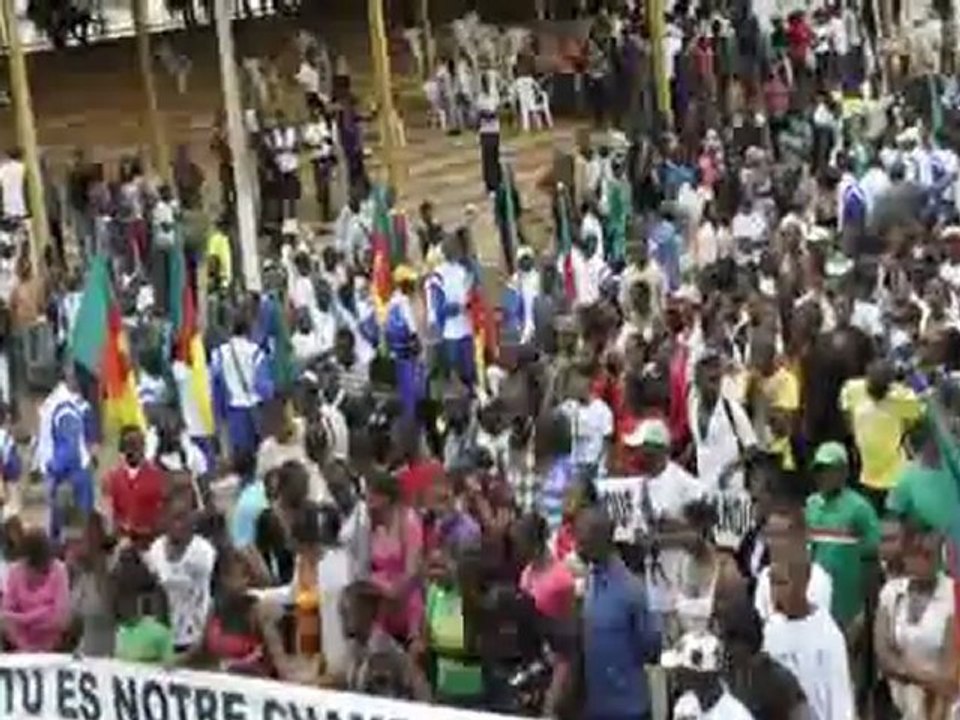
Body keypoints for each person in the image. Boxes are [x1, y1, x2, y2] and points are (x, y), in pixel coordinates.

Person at [575, 506, 661, 720]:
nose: (577, 547)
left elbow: (651, 647)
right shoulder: (590, 579)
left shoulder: (632, 590)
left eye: (583, 541)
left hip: (627, 709)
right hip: (595, 706)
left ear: (602, 539)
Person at [875, 525, 958, 719]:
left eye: (929, 555)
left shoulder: (953, 596)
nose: (922, 561)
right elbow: (884, 656)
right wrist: (922, 675)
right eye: (916, 554)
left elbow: (950, 674)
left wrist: (904, 670)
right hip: (897, 705)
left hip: (939, 706)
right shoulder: (891, 592)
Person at [763, 547, 855, 720]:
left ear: (802, 581)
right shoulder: (770, 630)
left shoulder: (828, 636)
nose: (775, 593)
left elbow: (840, 704)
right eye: (772, 582)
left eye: (782, 583)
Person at [805, 441, 880, 634]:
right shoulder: (811, 505)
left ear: (844, 472)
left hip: (849, 609)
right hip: (816, 606)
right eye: (820, 469)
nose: (824, 475)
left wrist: (865, 613)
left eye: (830, 469)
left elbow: (873, 562)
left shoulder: (860, 508)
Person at [840, 359, 922, 510]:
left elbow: (913, 422)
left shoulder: (903, 397)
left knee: (895, 519)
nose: (876, 391)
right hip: (866, 471)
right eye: (873, 385)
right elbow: (846, 412)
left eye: (881, 387)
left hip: (895, 474)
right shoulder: (852, 389)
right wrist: (857, 436)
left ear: (890, 384)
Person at [145, 492, 218, 659]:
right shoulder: (155, 550)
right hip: (165, 640)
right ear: (165, 520)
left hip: (198, 640)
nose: (180, 524)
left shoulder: (204, 552)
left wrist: (203, 641)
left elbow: (215, 598)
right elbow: (155, 595)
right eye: (175, 518)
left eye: (185, 518)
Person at [717, 593, 810, 720]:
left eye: (726, 639)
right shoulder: (725, 674)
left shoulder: (780, 682)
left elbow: (801, 714)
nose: (723, 646)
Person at [340, 580, 431, 700]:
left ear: (371, 611)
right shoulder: (357, 648)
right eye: (343, 612)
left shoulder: (382, 652)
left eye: (353, 611)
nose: (346, 619)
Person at [35, 365, 95, 542]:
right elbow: (70, 449)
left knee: (67, 540)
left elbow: (68, 448)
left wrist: (52, 470)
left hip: (67, 476)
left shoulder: (58, 404)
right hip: (71, 477)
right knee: (73, 538)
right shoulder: (64, 407)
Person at [367, 471, 423, 644]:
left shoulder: (408, 522)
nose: (368, 499)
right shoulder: (371, 524)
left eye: (372, 495)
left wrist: (393, 594)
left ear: (385, 497)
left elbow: (412, 572)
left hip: (405, 601)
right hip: (380, 606)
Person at [211, 310, 275, 458]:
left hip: (232, 412)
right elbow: (262, 387)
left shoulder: (219, 354)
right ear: (249, 329)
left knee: (237, 458)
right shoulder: (256, 353)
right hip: (255, 412)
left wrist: (218, 419)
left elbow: (217, 388)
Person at [1, 527, 69, 651]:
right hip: (20, 645)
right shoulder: (15, 571)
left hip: (52, 646)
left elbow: (60, 619)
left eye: (44, 570)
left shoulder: (59, 570)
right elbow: (5, 616)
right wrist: (44, 611)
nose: (39, 575)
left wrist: (21, 618)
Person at [662, 630, 757, 719]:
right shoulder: (684, 704)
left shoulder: (735, 715)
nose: (676, 678)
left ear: (701, 676)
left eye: (681, 671)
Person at [104, 424, 167, 546]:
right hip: (122, 542)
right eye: (130, 445)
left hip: (151, 543)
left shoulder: (158, 476)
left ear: (144, 447)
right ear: (122, 449)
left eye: (138, 445)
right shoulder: (113, 478)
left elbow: (163, 515)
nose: (134, 450)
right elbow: (111, 514)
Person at [514, 511, 575, 621]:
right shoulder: (527, 573)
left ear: (535, 544)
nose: (517, 550)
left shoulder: (561, 580)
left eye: (520, 544)